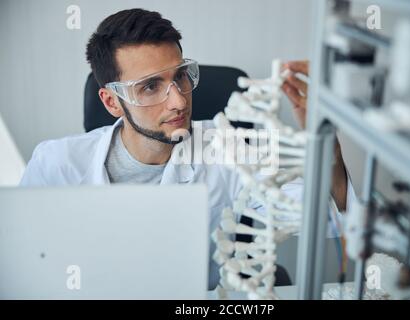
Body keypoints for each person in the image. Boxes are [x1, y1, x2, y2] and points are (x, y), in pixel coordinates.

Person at [20, 8, 350, 289]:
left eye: (180, 77)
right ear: (112, 102)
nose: (179, 100)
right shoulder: (57, 164)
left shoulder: (227, 147)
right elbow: (26, 268)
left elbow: (326, 215)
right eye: (150, 86)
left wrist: (325, 144)